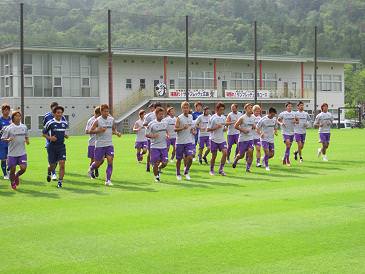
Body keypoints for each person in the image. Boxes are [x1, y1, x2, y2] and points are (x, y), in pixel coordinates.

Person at [88, 104, 121, 186]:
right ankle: (91, 168)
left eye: (108, 111)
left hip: (109, 144)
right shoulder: (97, 120)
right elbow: (90, 131)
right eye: (105, 111)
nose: (107, 113)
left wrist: (117, 133)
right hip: (100, 145)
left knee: (110, 161)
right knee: (98, 162)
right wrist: (98, 130)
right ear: (101, 112)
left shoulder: (111, 119)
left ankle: (108, 180)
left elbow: (113, 129)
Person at [1, 111, 29, 190]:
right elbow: (2, 138)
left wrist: (27, 140)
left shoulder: (24, 127)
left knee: (23, 169)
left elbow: (26, 136)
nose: (18, 117)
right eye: (16, 116)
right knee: (12, 170)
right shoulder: (9, 128)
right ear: (13, 118)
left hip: (22, 152)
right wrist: (8, 139)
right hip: (12, 153)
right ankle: (12, 182)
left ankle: (17, 175)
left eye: (19, 116)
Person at [43, 105, 69, 188]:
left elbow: (61, 131)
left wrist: (64, 135)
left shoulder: (64, 123)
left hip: (61, 146)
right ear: (54, 114)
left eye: (61, 113)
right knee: (52, 165)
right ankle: (49, 172)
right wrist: (50, 138)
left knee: (62, 164)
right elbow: (43, 133)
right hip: (52, 147)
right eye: (58, 113)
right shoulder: (50, 123)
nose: (60, 114)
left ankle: (60, 182)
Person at [145, 107, 169, 182]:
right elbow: (147, 134)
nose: (161, 116)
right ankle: (156, 177)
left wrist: (167, 135)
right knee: (156, 163)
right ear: (156, 114)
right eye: (160, 114)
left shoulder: (165, 123)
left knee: (165, 163)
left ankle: (159, 168)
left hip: (164, 146)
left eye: (162, 114)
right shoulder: (151, 124)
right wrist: (153, 136)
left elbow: (166, 130)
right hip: (155, 146)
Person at [175, 101, 196, 181]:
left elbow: (192, 127)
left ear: (189, 109)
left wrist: (193, 131)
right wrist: (182, 128)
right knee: (179, 159)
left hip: (189, 141)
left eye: (187, 108)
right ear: (181, 109)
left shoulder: (191, 116)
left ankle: (186, 171)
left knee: (190, 157)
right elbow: (175, 129)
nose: (185, 109)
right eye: (184, 108)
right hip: (180, 142)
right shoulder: (179, 118)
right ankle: (178, 173)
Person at [232, 103, 255, 172]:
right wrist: (243, 130)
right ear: (245, 109)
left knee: (251, 151)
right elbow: (235, 126)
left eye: (251, 108)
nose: (251, 109)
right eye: (249, 108)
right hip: (242, 139)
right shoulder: (242, 118)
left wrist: (254, 126)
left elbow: (253, 125)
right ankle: (236, 159)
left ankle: (248, 168)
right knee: (241, 155)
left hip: (250, 138)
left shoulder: (253, 117)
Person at [207, 102, 227, 176]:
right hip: (213, 139)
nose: (222, 111)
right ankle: (211, 170)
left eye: (223, 110)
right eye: (221, 109)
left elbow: (224, 126)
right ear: (217, 109)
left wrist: (225, 128)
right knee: (214, 156)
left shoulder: (223, 117)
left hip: (222, 139)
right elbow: (208, 129)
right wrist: (216, 127)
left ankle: (221, 169)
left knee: (225, 153)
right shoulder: (212, 118)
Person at [143, 102, 161, 172]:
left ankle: (157, 167)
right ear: (155, 108)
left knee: (159, 153)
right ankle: (148, 166)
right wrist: (149, 126)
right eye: (158, 108)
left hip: (159, 137)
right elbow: (144, 124)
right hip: (150, 137)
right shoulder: (149, 116)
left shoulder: (161, 115)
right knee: (150, 152)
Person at [277, 102, 296, 167]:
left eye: (291, 106)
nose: (290, 107)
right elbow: (278, 120)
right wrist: (281, 123)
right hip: (285, 132)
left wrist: (295, 121)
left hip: (292, 132)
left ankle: (284, 158)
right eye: (288, 106)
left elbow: (297, 121)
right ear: (286, 107)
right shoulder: (283, 114)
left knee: (288, 147)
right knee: (288, 146)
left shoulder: (294, 113)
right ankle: (288, 160)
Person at [85, 106, 101, 177]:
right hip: (92, 142)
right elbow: (86, 131)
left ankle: (96, 168)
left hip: (101, 143)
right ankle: (92, 172)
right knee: (92, 159)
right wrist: (96, 131)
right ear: (96, 113)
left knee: (101, 159)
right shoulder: (90, 120)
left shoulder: (103, 120)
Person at [0, 104, 11, 180]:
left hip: (11, 142)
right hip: (2, 142)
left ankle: (9, 170)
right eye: (5, 110)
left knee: (11, 158)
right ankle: (5, 174)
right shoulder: (0, 120)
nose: (6, 111)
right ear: (2, 111)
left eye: (8, 110)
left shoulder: (12, 120)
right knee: (3, 158)